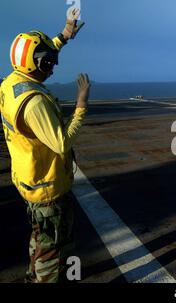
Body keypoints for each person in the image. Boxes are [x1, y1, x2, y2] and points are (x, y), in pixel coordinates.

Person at [0, 8, 88, 283]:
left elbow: (38, 54)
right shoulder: (34, 103)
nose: (53, 65)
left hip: (29, 181)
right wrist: (81, 104)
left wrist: (64, 35)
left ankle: (32, 275)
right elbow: (62, 143)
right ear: (37, 64)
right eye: (48, 62)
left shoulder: (11, 82)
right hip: (47, 189)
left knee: (40, 235)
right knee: (54, 247)